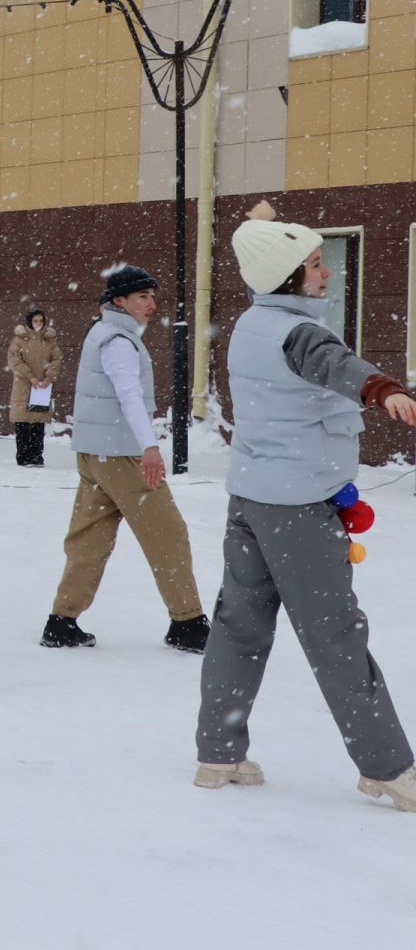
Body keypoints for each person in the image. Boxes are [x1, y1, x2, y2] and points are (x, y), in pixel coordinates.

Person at [193, 202, 416, 811]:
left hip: (253, 497)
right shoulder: (301, 332)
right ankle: (386, 766)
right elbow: (337, 366)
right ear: (289, 277)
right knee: (336, 634)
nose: (326, 273)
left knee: (239, 626)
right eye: (316, 265)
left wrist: (259, 220)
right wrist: (385, 389)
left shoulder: (251, 323)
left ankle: (218, 752)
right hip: (297, 507)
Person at [41, 265, 209, 653]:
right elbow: (128, 395)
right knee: (168, 534)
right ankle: (188, 623)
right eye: (142, 297)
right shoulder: (118, 340)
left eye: (152, 296)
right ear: (119, 301)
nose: (151, 304)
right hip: (122, 455)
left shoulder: (100, 332)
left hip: (95, 453)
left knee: (90, 538)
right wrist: (149, 446)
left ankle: (62, 621)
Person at [7, 306, 61, 467]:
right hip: (24, 385)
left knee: (38, 421)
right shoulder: (19, 339)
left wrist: (48, 378)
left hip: (42, 386)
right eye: (35, 320)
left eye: (41, 321)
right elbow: (14, 360)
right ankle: (23, 457)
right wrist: (29, 376)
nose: (38, 323)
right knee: (23, 421)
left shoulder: (50, 339)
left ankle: (37, 456)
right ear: (29, 322)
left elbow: (56, 359)